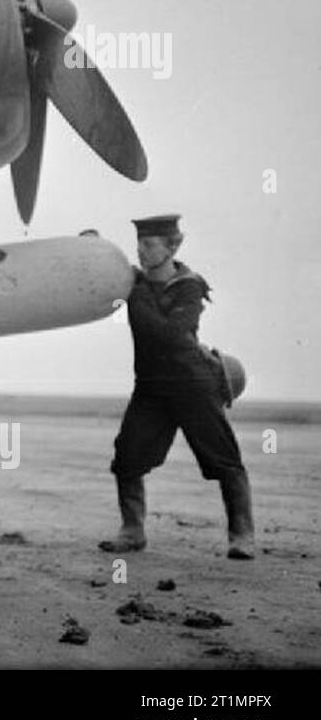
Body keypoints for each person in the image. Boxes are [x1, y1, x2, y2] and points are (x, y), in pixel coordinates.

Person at [101, 215, 255, 560]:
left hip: (193, 384)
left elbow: (170, 335)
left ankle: (242, 535)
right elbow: (98, 275)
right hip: (152, 387)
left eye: (149, 244)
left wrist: (137, 295)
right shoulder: (135, 282)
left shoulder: (189, 286)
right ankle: (132, 531)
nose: (141, 251)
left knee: (225, 460)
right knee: (127, 458)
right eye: (139, 243)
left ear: (173, 246)